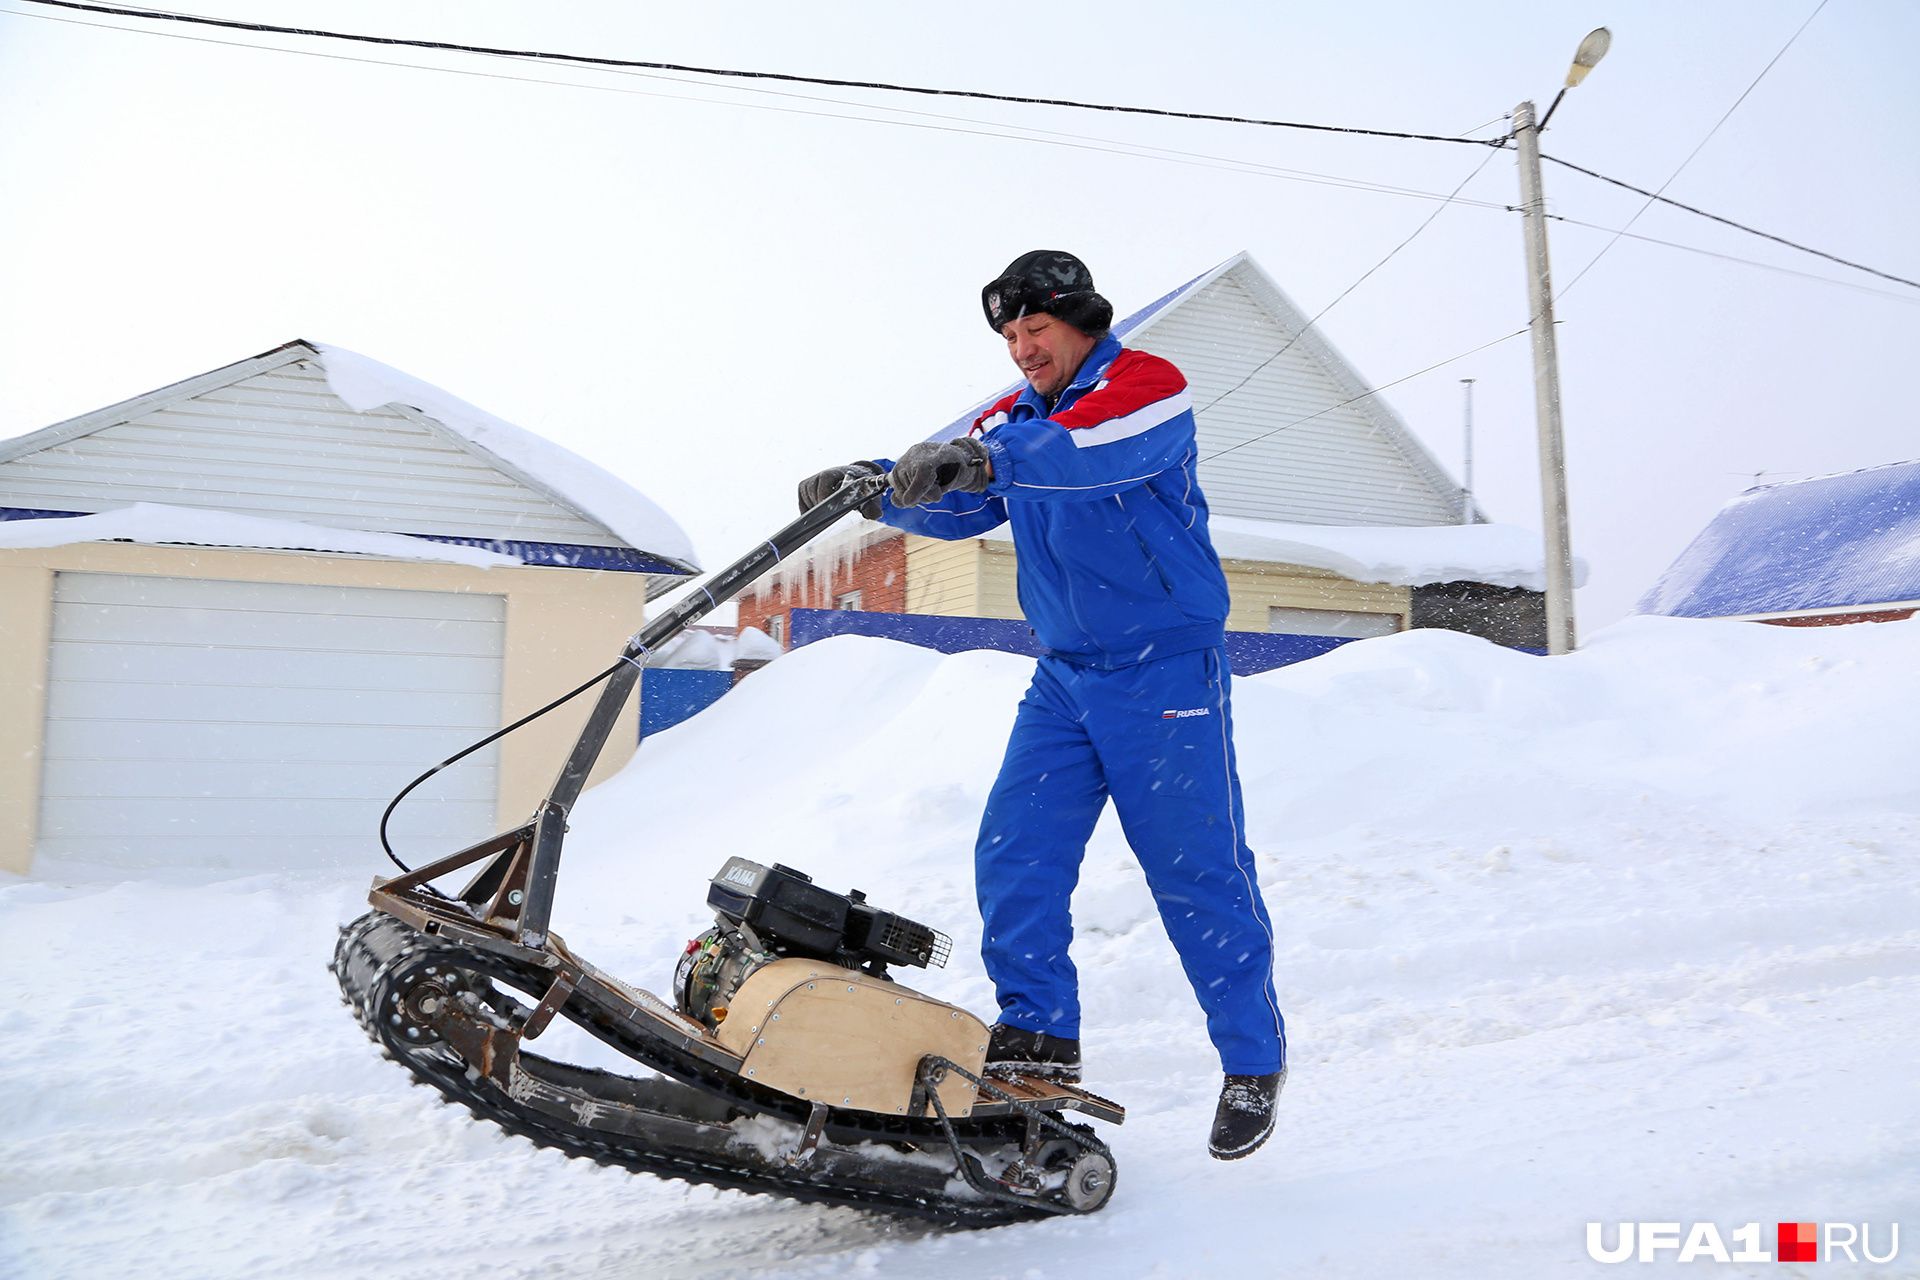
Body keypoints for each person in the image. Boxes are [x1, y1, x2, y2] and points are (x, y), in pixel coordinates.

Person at [798, 250, 1285, 1160]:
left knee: (1195, 872)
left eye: (1036, 330)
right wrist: (877, 489)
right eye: (1011, 337)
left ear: (1081, 323)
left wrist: (983, 461)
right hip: (1065, 675)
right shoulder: (1014, 418)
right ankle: (1040, 1041)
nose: (1023, 349)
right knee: (1017, 852)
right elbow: (962, 501)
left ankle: (1253, 1060)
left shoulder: (1146, 389)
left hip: (1164, 674)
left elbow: (1078, 457)